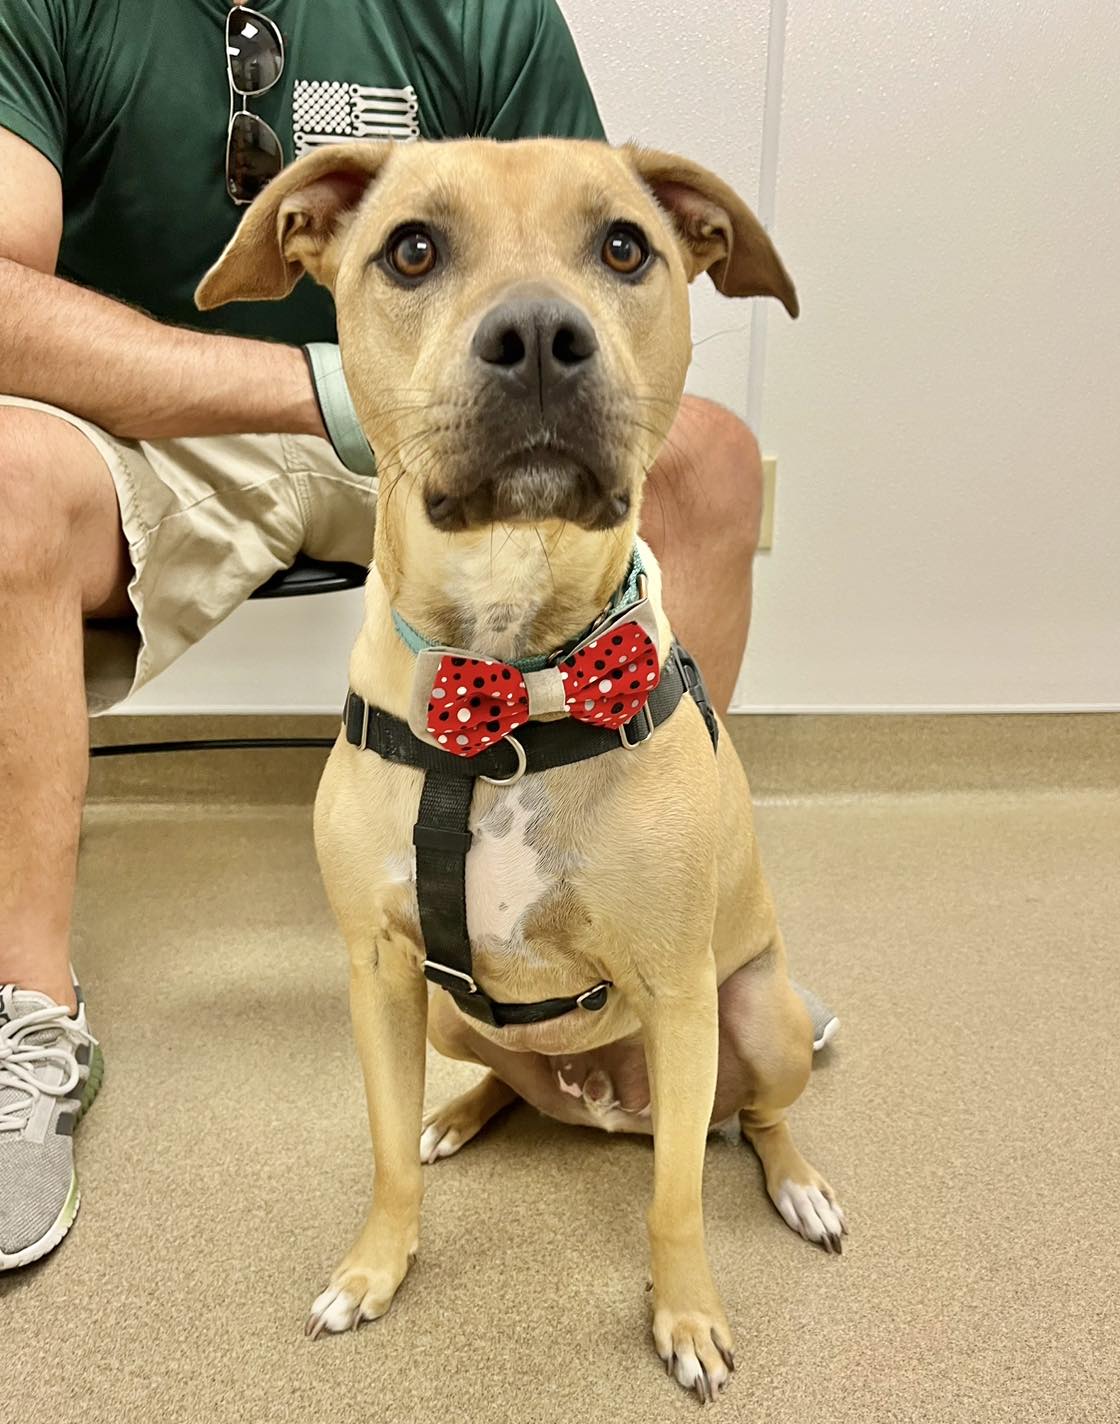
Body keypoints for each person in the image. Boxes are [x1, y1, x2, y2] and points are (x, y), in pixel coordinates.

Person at [0, 0, 834, 1271]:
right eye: (413, 248)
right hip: (178, 420)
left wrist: (505, 341)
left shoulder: (479, 9)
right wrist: (332, 389)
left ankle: (646, 901)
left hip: (456, 406)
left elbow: (579, 245)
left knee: (711, 457)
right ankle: (28, 1018)